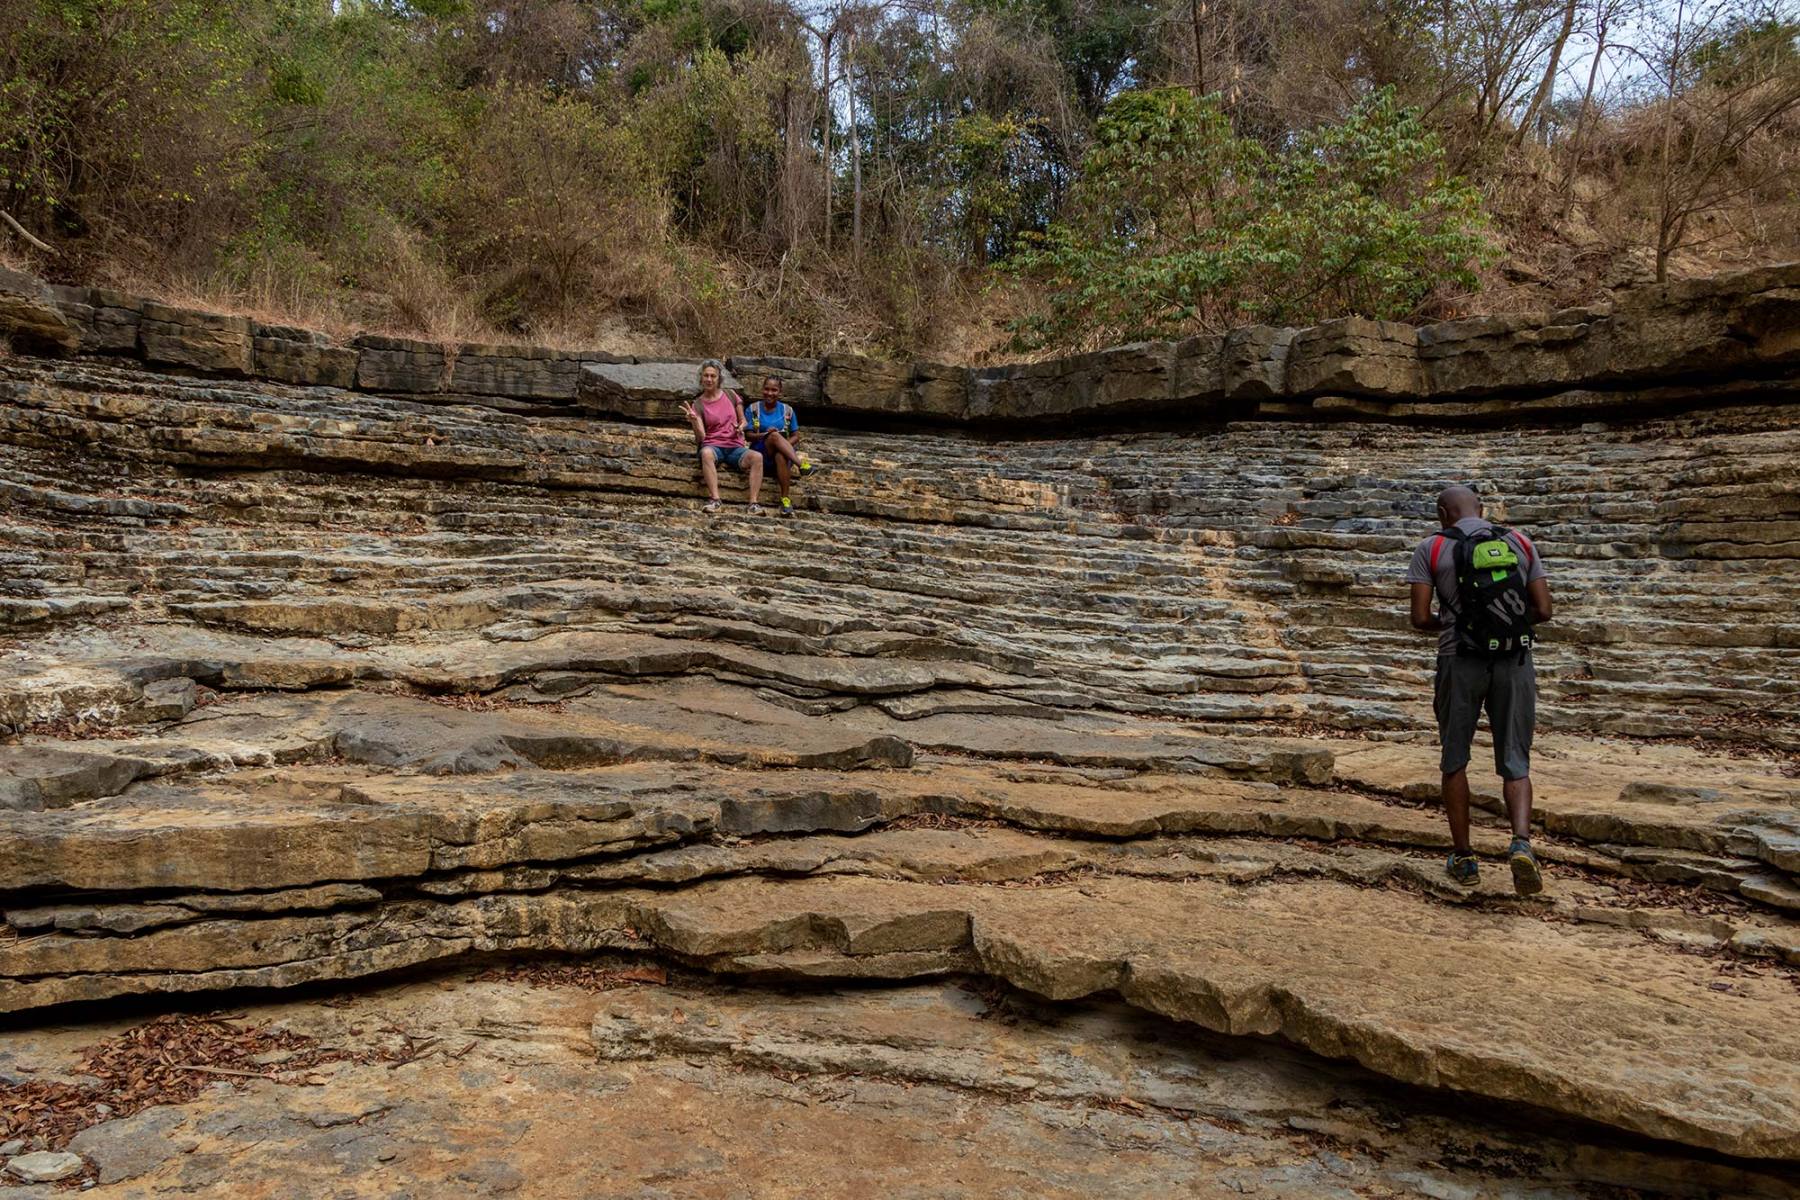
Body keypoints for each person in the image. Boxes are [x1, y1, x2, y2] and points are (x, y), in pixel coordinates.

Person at [1406, 485, 1554, 894]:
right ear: (1483, 509)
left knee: (1455, 758)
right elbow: (1543, 609)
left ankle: (1465, 858)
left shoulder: (1432, 548)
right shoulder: (1519, 541)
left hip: (1459, 660)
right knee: (1515, 759)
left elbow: (1419, 618)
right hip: (1515, 662)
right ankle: (1521, 844)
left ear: (1442, 513)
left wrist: (1458, 626)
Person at [680, 359, 763, 515]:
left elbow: (743, 420)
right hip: (714, 446)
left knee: (757, 457)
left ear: (719, 378)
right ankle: (715, 500)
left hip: (735, 446)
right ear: (701, 378)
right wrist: (694, 422)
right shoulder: (697, 404)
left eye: (713, 376)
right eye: (706, 376)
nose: (709, 379)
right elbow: (701, 438)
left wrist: (741, 427)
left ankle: (753, 503)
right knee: (705, 453)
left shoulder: (731, 395)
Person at [744, 376, 812, 516]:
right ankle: (801, 465)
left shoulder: (787, 411)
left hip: (781, 457)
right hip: (760, 453)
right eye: (767, 389)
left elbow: (796, 435)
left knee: (781, 454)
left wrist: (783, 445)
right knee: (774, 435)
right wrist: (765, 435)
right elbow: (748, 435)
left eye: (774, 390)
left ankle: (785, 501)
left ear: (780, 392)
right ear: (762, 389)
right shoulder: (753, 409)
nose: (769, 393)